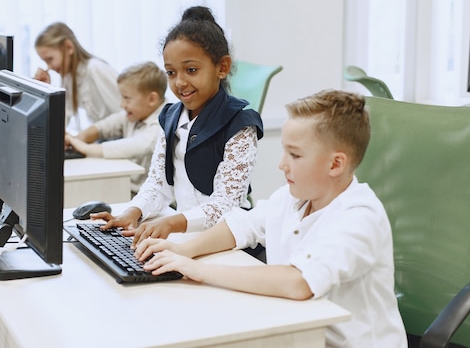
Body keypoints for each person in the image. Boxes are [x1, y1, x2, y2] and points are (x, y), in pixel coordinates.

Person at [135, 89, 408, 348]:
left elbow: (299, 282)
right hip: (295, 330)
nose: (282, 164)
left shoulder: (359, 217)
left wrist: (198, 270)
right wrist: (182, 250)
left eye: (295, 154)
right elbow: (241, 226)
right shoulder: (292, 197)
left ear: (336, 164)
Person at [91, 6, 264, 247]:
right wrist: (133, 213)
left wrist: (172, 223)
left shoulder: (240, 123)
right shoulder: (171, 116)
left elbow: (226, 204)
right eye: (171, 72)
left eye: (191, 70)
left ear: (222, 67)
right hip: (184, 237)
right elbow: (159, 185)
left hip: (229, 242)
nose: (180, 82)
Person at [65, 61, 168, 194]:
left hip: (151, 197)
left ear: (152, 99)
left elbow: (134, 146)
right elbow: (103, 127)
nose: (122, 104)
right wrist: (78, 138)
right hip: (130, 189)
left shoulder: (163, 123)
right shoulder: (136, 114)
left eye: (127, 98)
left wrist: (84, 147)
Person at [34, 22, 121, 130]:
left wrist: (89, 135)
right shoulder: (68, 78)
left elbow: (124, 114)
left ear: (69, 47)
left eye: (50, 59)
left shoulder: (96, 69)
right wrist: (44, 90)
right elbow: (61, 123)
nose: (49, 67)